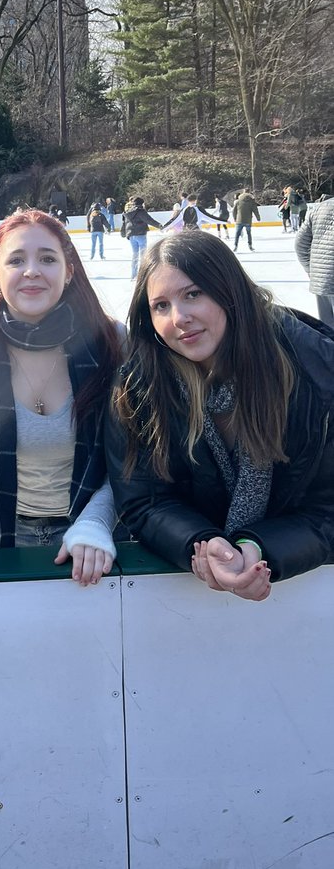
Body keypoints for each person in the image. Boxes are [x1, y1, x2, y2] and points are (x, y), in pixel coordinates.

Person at [108, 232, 334, 600]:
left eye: (193, 294)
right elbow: (144, 499)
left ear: (230, 291)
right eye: (161, 306)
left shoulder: (319, 374)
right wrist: (201, 542)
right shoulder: (142, 384)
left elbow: (328, 510)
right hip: (187, 601)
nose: (179, 318)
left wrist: (258, 549)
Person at [0, 210, 122, 585]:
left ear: (69, 270)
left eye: (47, 258)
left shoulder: (111, 345)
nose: (32, 271)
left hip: (96, 539)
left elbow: (129, 457)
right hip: (2, 533)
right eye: (16, 260)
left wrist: (94, 525)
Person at [295, 195, 334, 328]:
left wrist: (313, 271)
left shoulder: (319, 208)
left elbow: (300, 244)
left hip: (322, 280)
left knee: (328, 332)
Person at [119, 197, 164, 279]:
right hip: (140, 234)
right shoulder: (140, 211)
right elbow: (149, 220)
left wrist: (125, 233)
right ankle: (142, 275)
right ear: (141, 203)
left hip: (131, 235)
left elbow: (125, 223)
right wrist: (159, 225)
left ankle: (133, 274)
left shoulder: (128, 211)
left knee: (135, 254)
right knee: (143, 255)